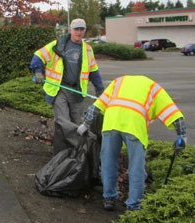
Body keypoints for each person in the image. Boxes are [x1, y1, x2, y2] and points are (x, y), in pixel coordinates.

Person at [77, 75, 188, 211]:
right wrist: (182, 136)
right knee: (136, 168)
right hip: (134, 127)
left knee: (108, 163)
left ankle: (109, 198)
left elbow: (96, 106)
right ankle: (134, 205)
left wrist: (85, 125)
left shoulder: (118, 82)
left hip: (111, 123)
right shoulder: (153, 88)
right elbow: (174, 114)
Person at [30, 18, 105, 154]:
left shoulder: (87, 50)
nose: (79, 32)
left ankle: (75, 154)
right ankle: (62, 153)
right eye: (76, 29)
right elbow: (38, 56)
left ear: (84, 31)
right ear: (71, 30)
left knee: (77, 123)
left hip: (77, 91)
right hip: (60, 89)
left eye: (82, 29)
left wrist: (100, 90)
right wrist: (38, 71)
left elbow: (93, 71)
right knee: (62, 121)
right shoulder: (57, 45)